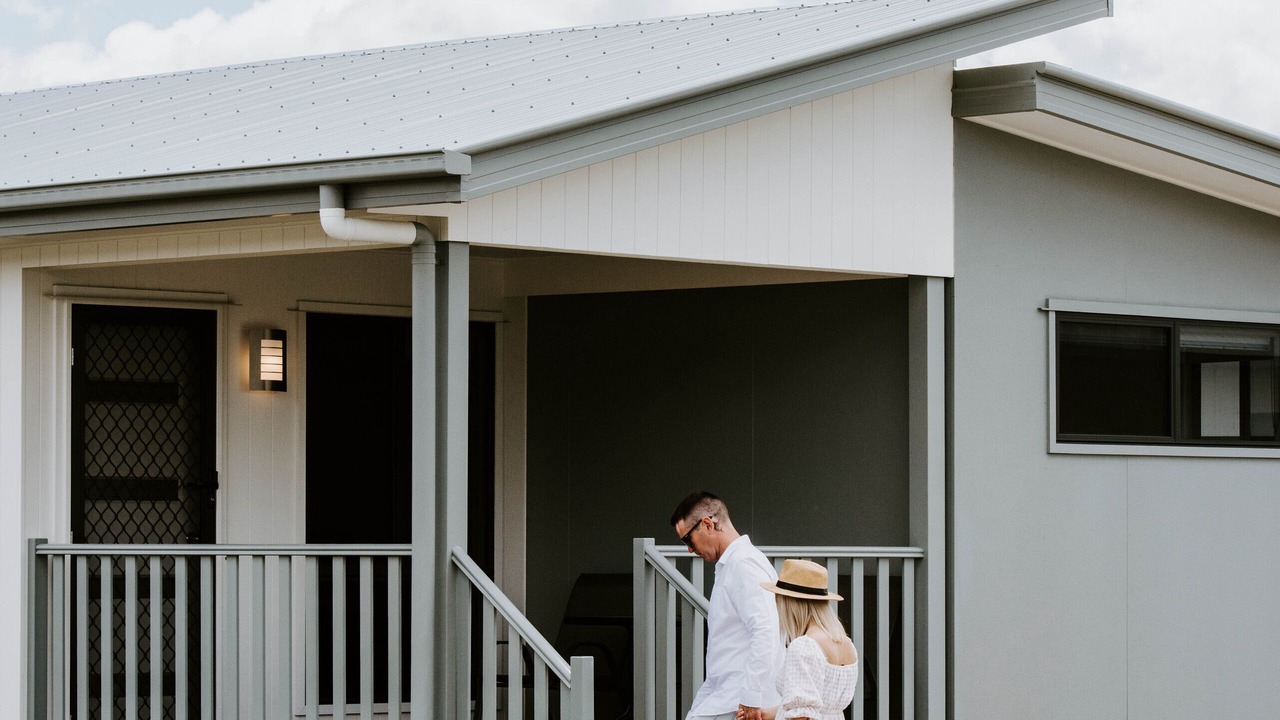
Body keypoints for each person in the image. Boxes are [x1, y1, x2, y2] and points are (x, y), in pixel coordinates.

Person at [671, 491, 783, 720]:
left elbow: (766, 629)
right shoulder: (733, 564)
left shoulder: (744, 564)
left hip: (739, 704)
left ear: (707, 525)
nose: (689, 550)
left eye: (687, 539)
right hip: (727, 698)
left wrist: (751, 697)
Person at [746, 559, 857, 720]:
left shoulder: (805, 645)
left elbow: (802, 715)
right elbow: (817, 706)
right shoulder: (846, 644)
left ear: (788, 603)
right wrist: (767, 714)